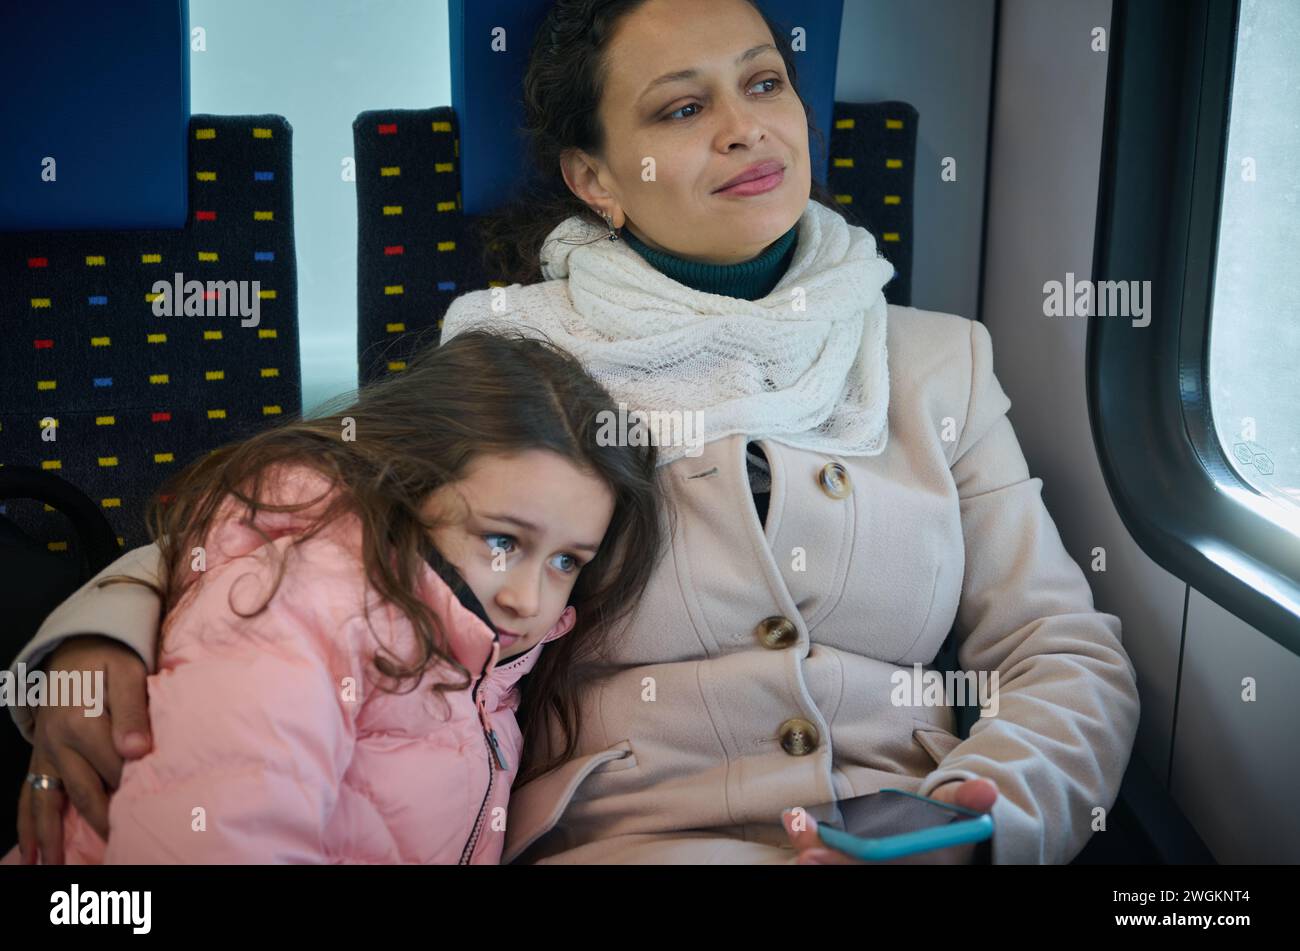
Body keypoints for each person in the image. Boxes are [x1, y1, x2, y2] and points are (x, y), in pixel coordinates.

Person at [9, 0, 1140, 865]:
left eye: (765, 82)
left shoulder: (938, 362)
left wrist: (989, 819)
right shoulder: (511, 364)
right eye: (683, 108)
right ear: (594, 178)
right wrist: (96, 639)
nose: (748, 127)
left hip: (912, 841)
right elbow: (283, 525)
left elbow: (1061, 652)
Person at [4, 329, 663, 863]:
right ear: (408, 483)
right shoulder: (301, 603)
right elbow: (220, 837)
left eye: (566, 561)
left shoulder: (482, 665)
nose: (529, 597)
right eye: (502, 541)